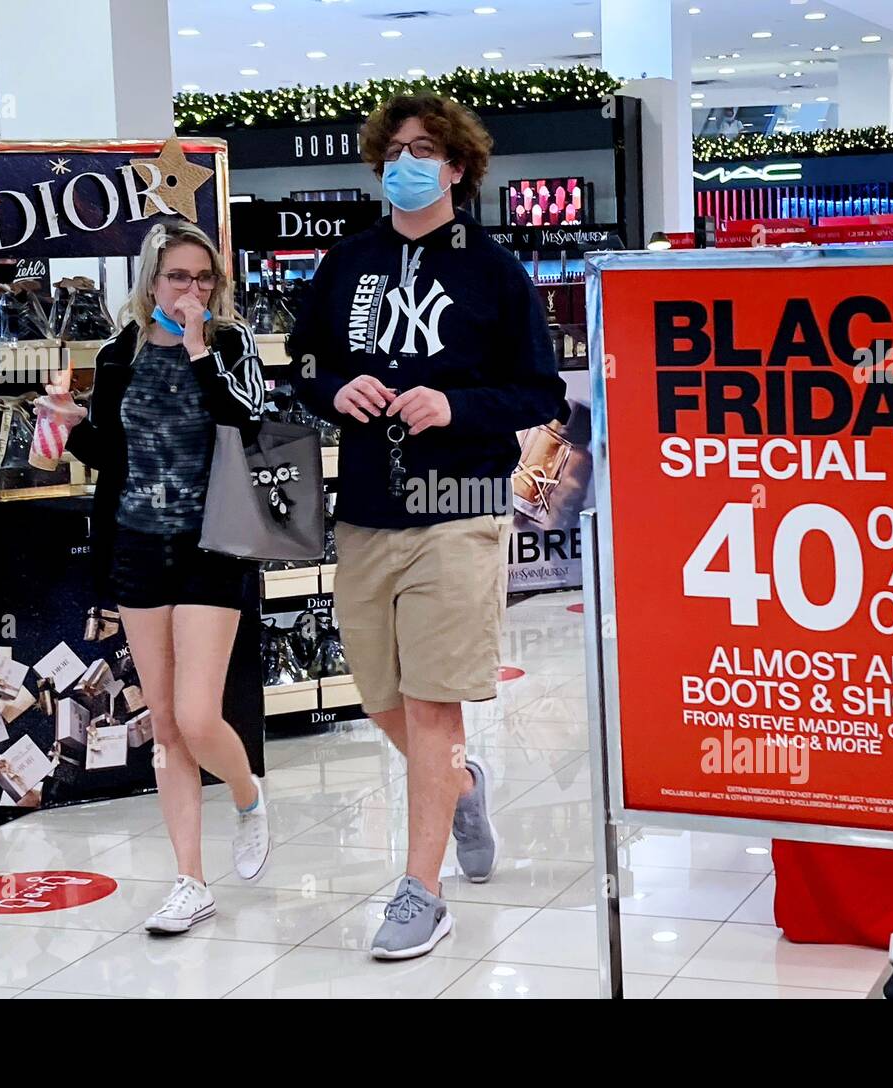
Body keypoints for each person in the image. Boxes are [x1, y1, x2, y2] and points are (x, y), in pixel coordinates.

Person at [289, 93, 565, 959]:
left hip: (460, 513)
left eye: (424, 148)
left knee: (430, 700)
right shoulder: (347, 264)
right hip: (367, 511)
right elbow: (302, 364)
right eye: (393, 150)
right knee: (380, 698)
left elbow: (541, 395)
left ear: (456, 166)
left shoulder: (494, 271)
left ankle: (421, 891)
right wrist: (332, 389)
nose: (406, 162)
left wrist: (456, 404)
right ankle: (461, 785)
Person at [60, 221, 271, 934]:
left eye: (204, 278)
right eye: (179, 277)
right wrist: (67, 425)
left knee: (198, 715)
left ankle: (246, 793)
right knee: (168, 731)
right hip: (137, 547)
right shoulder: (119, 353)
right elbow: (113, 454)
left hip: (213, 544)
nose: (192, 290)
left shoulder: (232, 346)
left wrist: (200, 348)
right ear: (151, 281)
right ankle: (190, 879)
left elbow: (245, 421)